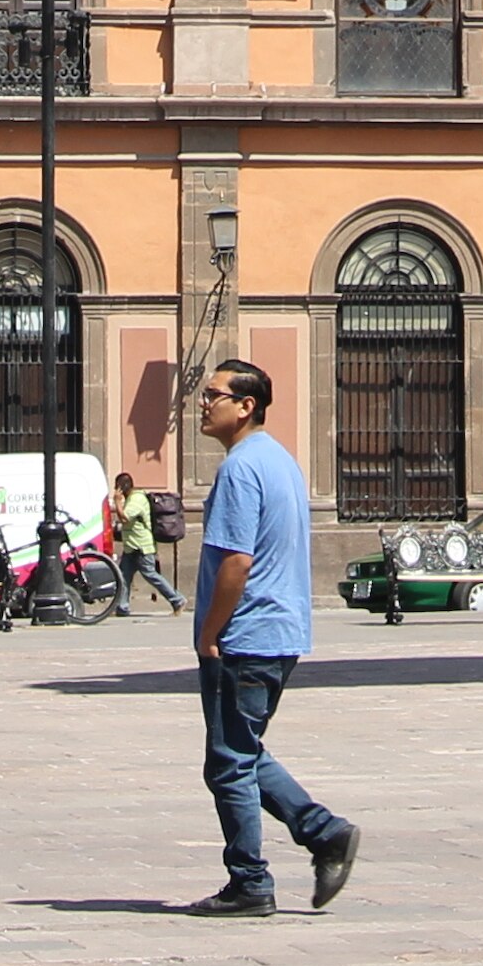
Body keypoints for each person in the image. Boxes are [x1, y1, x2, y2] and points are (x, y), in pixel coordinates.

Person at [184, 359, 353, 919]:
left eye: (212, 395)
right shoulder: (280, 460)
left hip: (245, 634)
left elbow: (237, 559)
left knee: (230, 760)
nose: (202, 404)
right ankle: (323, 834)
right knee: (241, 751)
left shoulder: (240, 469)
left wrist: (210, 630)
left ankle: (251, 880)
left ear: (246, 405)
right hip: (279, 632)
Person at [106, 469, 182, 613]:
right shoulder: (131, 499)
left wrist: (117, 502)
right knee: (123, 575)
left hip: (142, 546)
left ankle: (177, 600)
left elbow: (125, 518)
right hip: (131, 546)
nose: (116, 490)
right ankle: (122, 607)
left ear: (122, 488)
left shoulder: (136, 499)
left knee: (151, 575)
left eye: (117, 487)